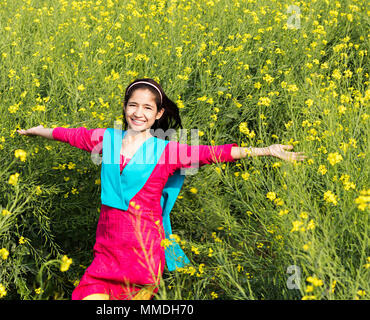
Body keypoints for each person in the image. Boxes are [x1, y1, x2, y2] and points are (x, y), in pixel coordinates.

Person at [17, 78, 306, 300]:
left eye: (147, 107)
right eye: (133, 105)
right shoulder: (106, 138)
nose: (138, 112)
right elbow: (68, 135)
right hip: (105, 253)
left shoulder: (168, 152)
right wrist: (38, 130)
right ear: (125, 107)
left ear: (158, 114)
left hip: (142, 256)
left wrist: (267, 150)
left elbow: (213, 152)